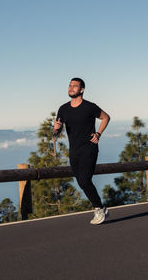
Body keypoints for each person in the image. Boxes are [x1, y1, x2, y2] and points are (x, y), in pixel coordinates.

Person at [53, 77, 110, 225]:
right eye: (70, 85)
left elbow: (106, 117)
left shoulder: (89, 107)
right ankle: (101, 207)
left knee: (85, 180)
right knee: (81, 181)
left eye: (74, 86)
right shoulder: (63, 109)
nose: (71, 88)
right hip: (74, 151)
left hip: (89, 148)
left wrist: (98, 134)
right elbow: (56, 133)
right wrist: (56, 129)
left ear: (82, 90)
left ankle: (98, 208)